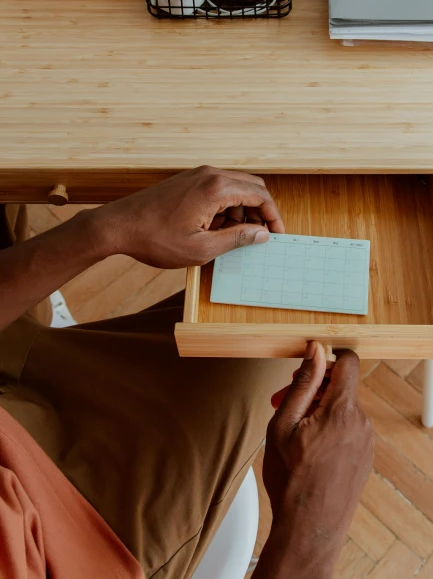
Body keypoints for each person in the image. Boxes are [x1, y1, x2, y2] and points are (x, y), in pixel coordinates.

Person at [0, 166, 373, 579]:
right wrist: (311, 537)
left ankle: (33, 327)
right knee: (280, 336)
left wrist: (105, 230)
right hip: (85, 534)